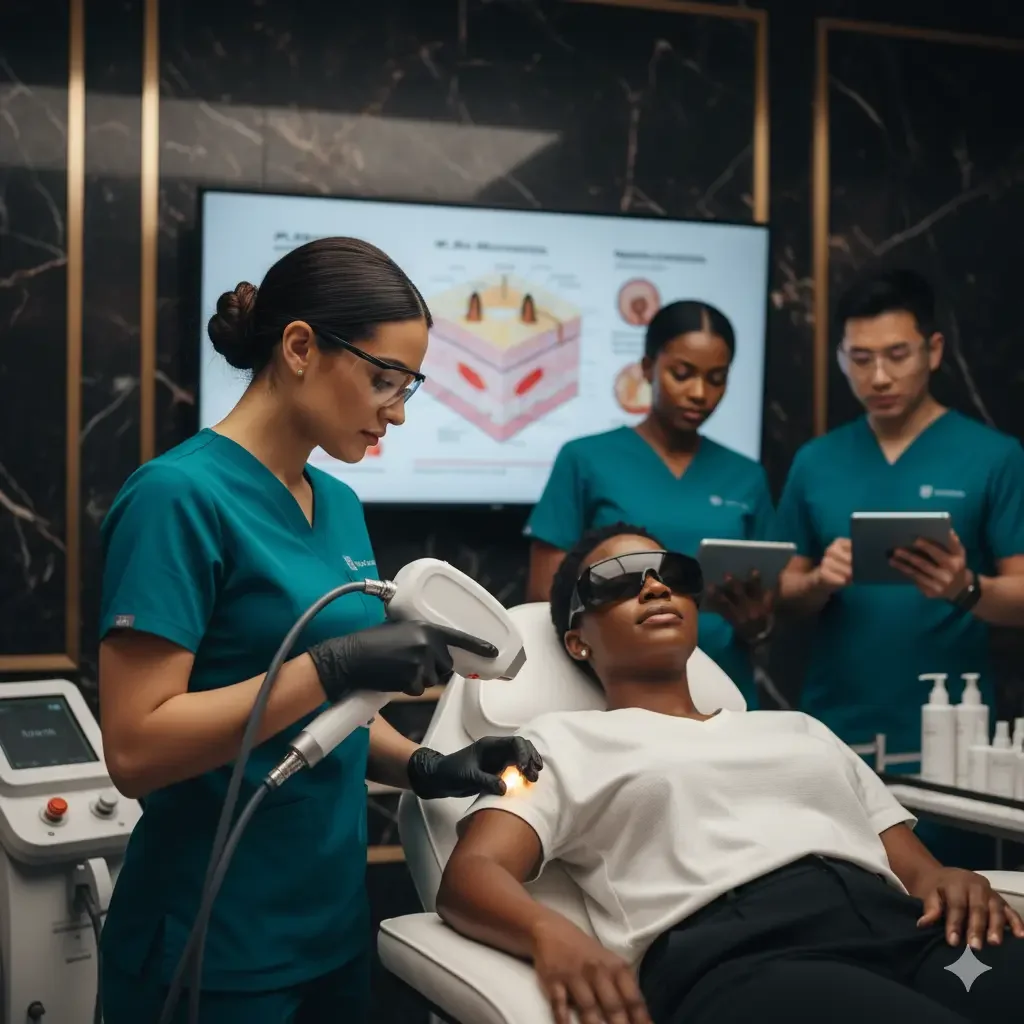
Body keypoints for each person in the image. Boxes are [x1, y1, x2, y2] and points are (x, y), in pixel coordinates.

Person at [97, 238, 543, 1024]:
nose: (397, 411)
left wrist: (429, 766)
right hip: (214, 942)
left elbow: (306, 723)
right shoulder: (176, 498)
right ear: (300, 347)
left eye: (410, 387)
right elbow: (138, 750)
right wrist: (332, 664)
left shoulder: (335, 503)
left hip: (331, 931)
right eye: (383, 380)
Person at [436, 524, 1024, 1024]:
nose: (655, 586)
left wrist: (952, 879)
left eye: (671, 573)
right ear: (577, 640)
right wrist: (550, 936)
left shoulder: (798, 730)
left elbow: (916, 869)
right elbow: (471, 874)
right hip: (751, 959)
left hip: (905, 934)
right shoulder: (556, 744)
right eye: (617, 580)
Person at [775, 269, 1024, 777]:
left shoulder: (993, 457)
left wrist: (966, 587)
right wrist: (820, 581)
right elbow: (784, 594)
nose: (879, 377)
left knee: (949, 857)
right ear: (842, 358)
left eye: (897, 355)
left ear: (933, 351)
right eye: (861, 359)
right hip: (834, 724)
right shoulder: (816, 461)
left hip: (952, 727)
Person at [525, 300, 775, 708]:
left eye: (716, 379)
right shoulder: (586, 460)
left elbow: (769, 599)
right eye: (682, 373)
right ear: (646, 367)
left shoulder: (746, 477)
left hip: (725, 692)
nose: (699, 393)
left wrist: (756, 623)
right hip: (610, 694)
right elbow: (543, 598)